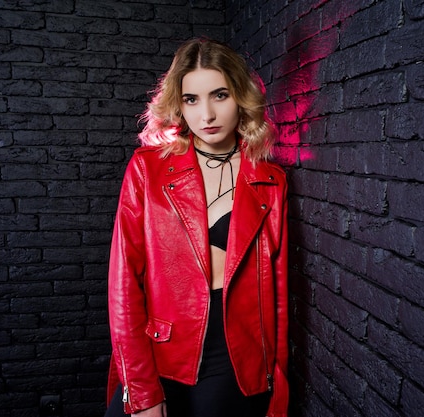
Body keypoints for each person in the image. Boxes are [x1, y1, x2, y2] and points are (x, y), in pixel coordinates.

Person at [104, 38, 289, 417]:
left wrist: (277, 384)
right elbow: (123, 283)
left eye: (219, 95)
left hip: (235, 355)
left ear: (241, 96)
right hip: (161, 344)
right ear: (178, 105)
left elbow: (279, 294)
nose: (206, 113)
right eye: (192, 99)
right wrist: (141, 390)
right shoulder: (148, 169)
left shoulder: (270, 180)